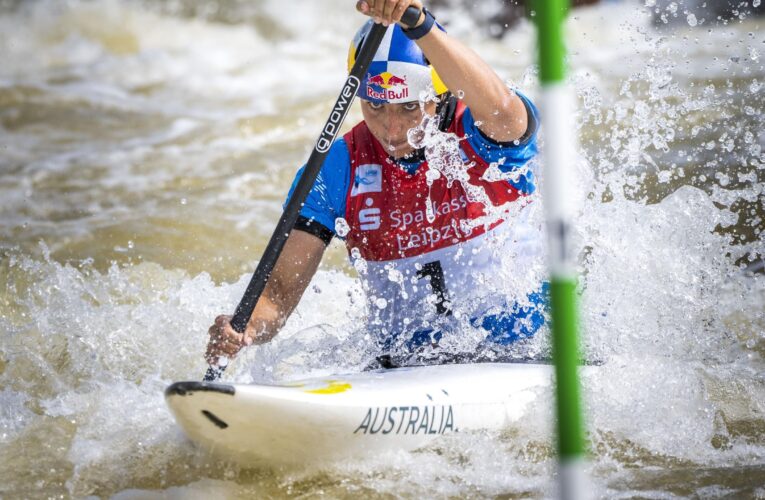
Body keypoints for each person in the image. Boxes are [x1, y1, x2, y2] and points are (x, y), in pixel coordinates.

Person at [206, 0, 544, 370]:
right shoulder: (336, 168)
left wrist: (419, 23)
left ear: (441, 94)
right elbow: (277, 294)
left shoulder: (484, 138)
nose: (392, 130)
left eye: (409, 107)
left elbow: (505, 109)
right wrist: (247, 327)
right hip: (404, 365)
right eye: (376, 107)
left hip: (528, 350)